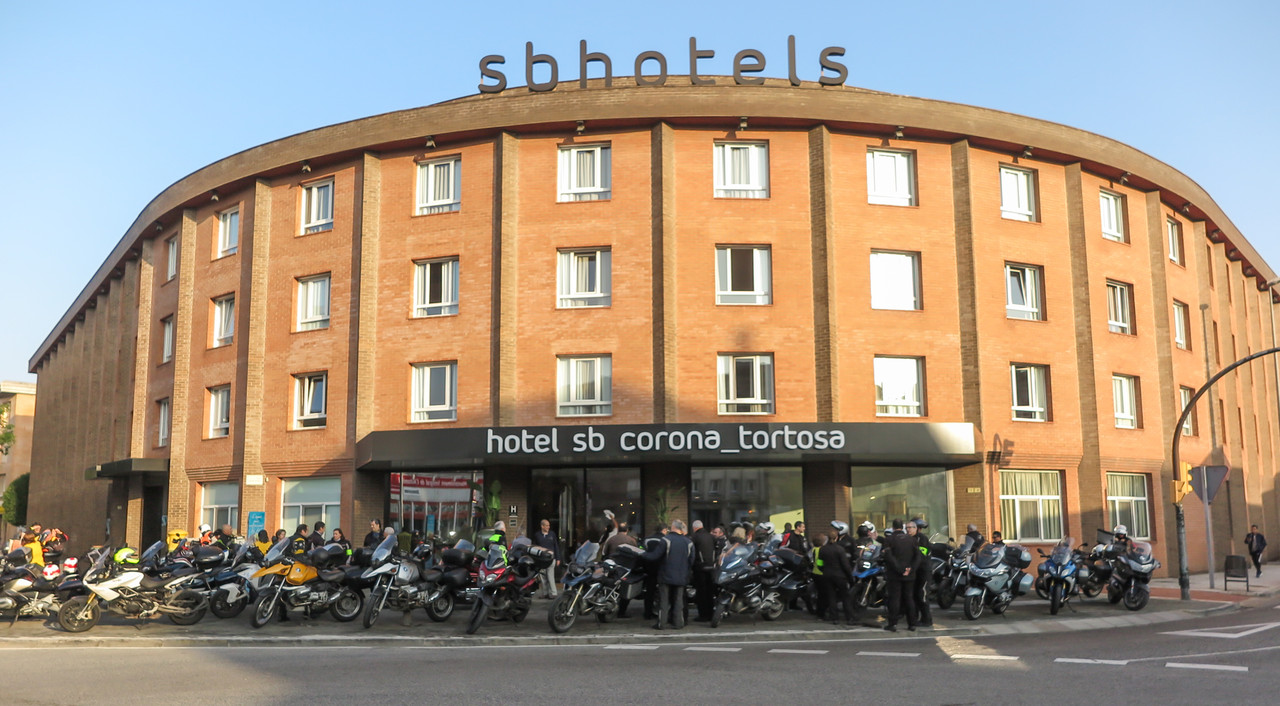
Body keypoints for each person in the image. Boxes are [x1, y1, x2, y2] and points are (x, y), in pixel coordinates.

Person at [639, 519, 693, 630]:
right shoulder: (689, 542)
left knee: (664, 600)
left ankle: (661, 623)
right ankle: (678, 623)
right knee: (678, 600)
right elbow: (691, 560)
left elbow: (655, 556)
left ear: (672, 527)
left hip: (666, 574)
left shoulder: (666, 540)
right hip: (681, 575)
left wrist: (641, 554)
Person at [882, 519, 920, 632]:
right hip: (909, 574)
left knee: (895, 598)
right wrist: (910, 569)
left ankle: (892, 624)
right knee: (909, 598)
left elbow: (889, 557)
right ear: (902, 527)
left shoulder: (889, 539)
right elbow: (918, 557)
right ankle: (912, 624)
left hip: (894, 574)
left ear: (893, 527)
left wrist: (899, 569)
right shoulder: (912, 540)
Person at [817, 531, 856, 625]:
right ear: (837, 538)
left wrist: (823, 570)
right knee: (845, 597)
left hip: (827, 575)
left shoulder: (822, 549)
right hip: (840, 576)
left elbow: (819, 564)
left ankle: (834, 618)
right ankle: (849, 618)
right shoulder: (840, 549)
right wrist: (850, 577)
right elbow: (845, 565)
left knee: (831, 597)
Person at [906, 520, 932, 628]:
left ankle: (927, 619)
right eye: (907, 528)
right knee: (914, 595)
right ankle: (915, 618)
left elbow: (922, 554)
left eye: (910, 528)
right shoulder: (908, 539)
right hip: (914, 572)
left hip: (923, 571)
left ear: (916, 528)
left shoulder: (922, 538)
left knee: (922, 595)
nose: (908, 530)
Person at [640, 523, 668, 620]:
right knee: (663, 591)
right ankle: (662, 612)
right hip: (662, 568)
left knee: (649, 591)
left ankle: (647, 613)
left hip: (649, 568)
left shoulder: (647, 539)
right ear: (664, 530)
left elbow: (642, 550)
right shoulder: (665, 539)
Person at [690, 520, 716, 621]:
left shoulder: (695, 537)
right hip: (711, 566)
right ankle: (711, 613)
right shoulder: (711, 536)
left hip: (700, 567)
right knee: (710, 591)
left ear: (694, 528)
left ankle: (703, 615)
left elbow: (692, 552)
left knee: (701, 592)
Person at [533, 519, 561, 598]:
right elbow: (535, 547)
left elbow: (556, 546)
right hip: (541, 559)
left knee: (550, 576)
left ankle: (553, 593)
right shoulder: (537, 535)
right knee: (543, 576)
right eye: (547, 525)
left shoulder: (552, 534)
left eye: (549, 525)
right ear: (542, 526)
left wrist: (558, 558)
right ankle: (545, 593)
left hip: (551, 558)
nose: (548, 527)